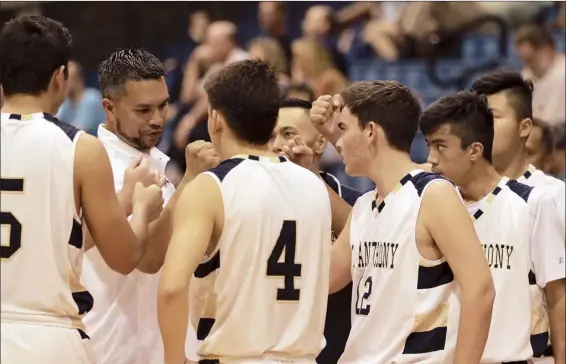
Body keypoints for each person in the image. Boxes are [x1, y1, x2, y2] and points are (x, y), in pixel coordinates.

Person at [0, 15, 163, 363]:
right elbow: (124, 257)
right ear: (61, 76)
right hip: (47, 337)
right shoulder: (81, 148)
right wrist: (143, 206)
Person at [305, 82, 495, 363]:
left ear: (370, 132)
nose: (338, 142)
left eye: (343, 129)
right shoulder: (365, 205)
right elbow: (323, 278)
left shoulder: (433, 194)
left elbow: (480, 290)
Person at [158, 60, 332, 364]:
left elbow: (172, 288)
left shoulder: (210, 187)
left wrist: (174, 359)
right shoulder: (314, 185)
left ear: (215, 119)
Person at [82, 49, 217, 364]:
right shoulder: (103, 169)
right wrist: (191, 179)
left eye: (163, 105)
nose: (157, 119)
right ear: (109, 108)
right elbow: (148, 259)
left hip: (157, 346)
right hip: (114, 348)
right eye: (143, 110)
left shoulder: (148, 160)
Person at [420, 91, 566, 363]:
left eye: (440, 146)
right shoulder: (428, 205)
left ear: (474, 150)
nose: (431, 158)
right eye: (428, 145)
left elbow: (557, 296)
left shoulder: (531, 203)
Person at [270, 98, 361, 364]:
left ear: (320, 143)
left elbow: (365, 235)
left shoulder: (356, 203)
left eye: (288, 134)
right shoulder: (249, 202)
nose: (276, 145)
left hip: (338, 351)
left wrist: (310, 176)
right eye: (270, 135)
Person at [471, 69, 565, 232]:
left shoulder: (557, 196)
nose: (480, 126)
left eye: (492, 117)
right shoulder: (453, 194)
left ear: (524, 127)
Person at [515, 25, 565, 126]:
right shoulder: (526, 74)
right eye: (526, 60)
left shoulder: (562, 71)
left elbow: (555, 123)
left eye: (532, 58)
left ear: (547, 49)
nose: (529, 65)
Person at [56, 60, 105, 136]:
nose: (62, 84)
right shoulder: (67, 102)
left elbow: (77, 132)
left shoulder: (91, 98)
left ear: (79, 79)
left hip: (97, 145)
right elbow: (54, 125)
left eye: (67, 79)